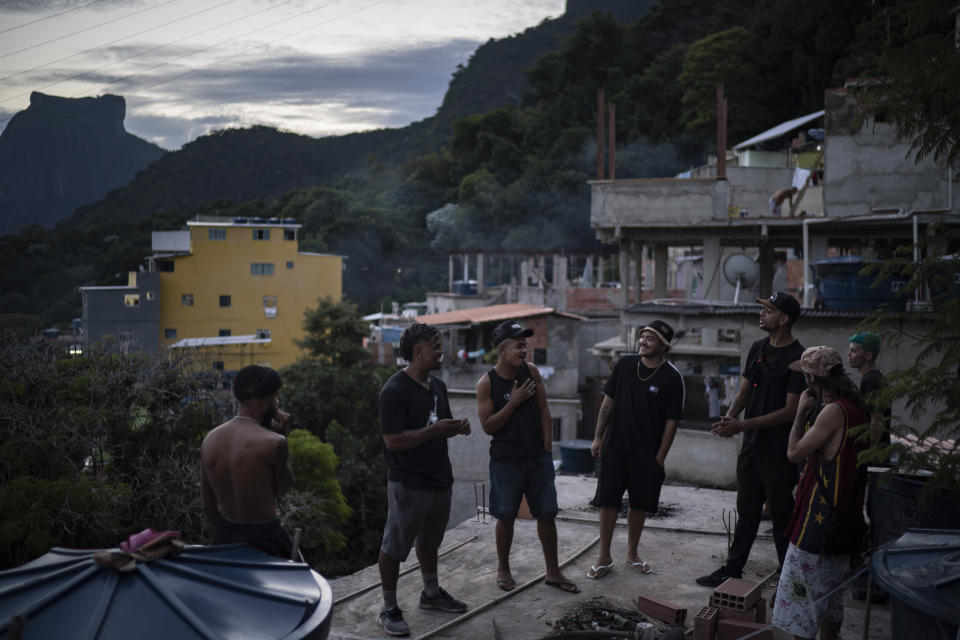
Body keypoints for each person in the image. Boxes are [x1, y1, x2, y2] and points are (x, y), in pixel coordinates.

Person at [697, 292, 805, 587]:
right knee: (747, 511)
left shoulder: (798, 358)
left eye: (768, 310)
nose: (762, 314)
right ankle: (732, 570)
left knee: (782, 515)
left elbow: (790, 411)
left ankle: (788, 579)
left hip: (779, 450)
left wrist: (742, 424)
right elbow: (744, 391)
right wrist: (728, 420)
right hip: (752, 446)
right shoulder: (758, 348)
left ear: (783, 319)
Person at [376, 323, 471, 637]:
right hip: (408, 482)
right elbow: (393, 441)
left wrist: (458, 427)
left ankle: (430, 593)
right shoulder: (394, 391)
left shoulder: (438, 386)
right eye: (435, 346)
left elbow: (438, 425)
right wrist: (436, 430)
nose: (441, 352)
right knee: (394, 546)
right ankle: (388, 608)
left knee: (430, 541)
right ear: (418, 353)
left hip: (439, 479)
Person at [772, 346, 870, 640]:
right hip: (844, 523)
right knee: (830, 601)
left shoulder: (833, 412)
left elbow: (793, 452)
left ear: (811, 379)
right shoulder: (855, 407)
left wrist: (800, 412)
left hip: (817, 527)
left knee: (800, 608)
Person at [476, 321, 579, 595]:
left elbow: (544, 409)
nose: (525, 350)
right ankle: (503, 569)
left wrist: (547, 445)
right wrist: (514, 401)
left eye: (525, 345)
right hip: (506, 461)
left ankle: (553, 572)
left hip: (537, 460)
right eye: (519, 345)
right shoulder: (487, 384)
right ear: (502, 349)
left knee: (546, 514)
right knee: (505, 515)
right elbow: (488, 426)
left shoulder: (531, 372)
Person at [587, 320, 685, 579]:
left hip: (646, 454)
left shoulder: (672, 378)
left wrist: (660, 458)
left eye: (650, 338)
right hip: (615, 447)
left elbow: (671, 423)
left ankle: (632, 554)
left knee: (639, 505)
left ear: (664, 346)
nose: (643, 341)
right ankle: (604, 556)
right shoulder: (625, 365)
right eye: (642, 337)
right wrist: (598, 438)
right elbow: (608, 403)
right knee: (607, 501)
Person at [200, 365, 295, 559]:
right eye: (276, 398)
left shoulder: (210, 439)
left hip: (224, 537)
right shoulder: (274, 442)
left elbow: (209, 506)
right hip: (265, 539)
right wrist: (281, 437)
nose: (277, 403)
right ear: (266, 400)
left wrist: (228, 532)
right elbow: (283, 489)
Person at [847, 332, 891, 446]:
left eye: (853, 351)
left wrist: (871, 451)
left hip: (876, 453)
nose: (848, 355)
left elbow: (877, 419)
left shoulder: (870, 381)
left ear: (868, 356)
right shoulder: (875, 376)